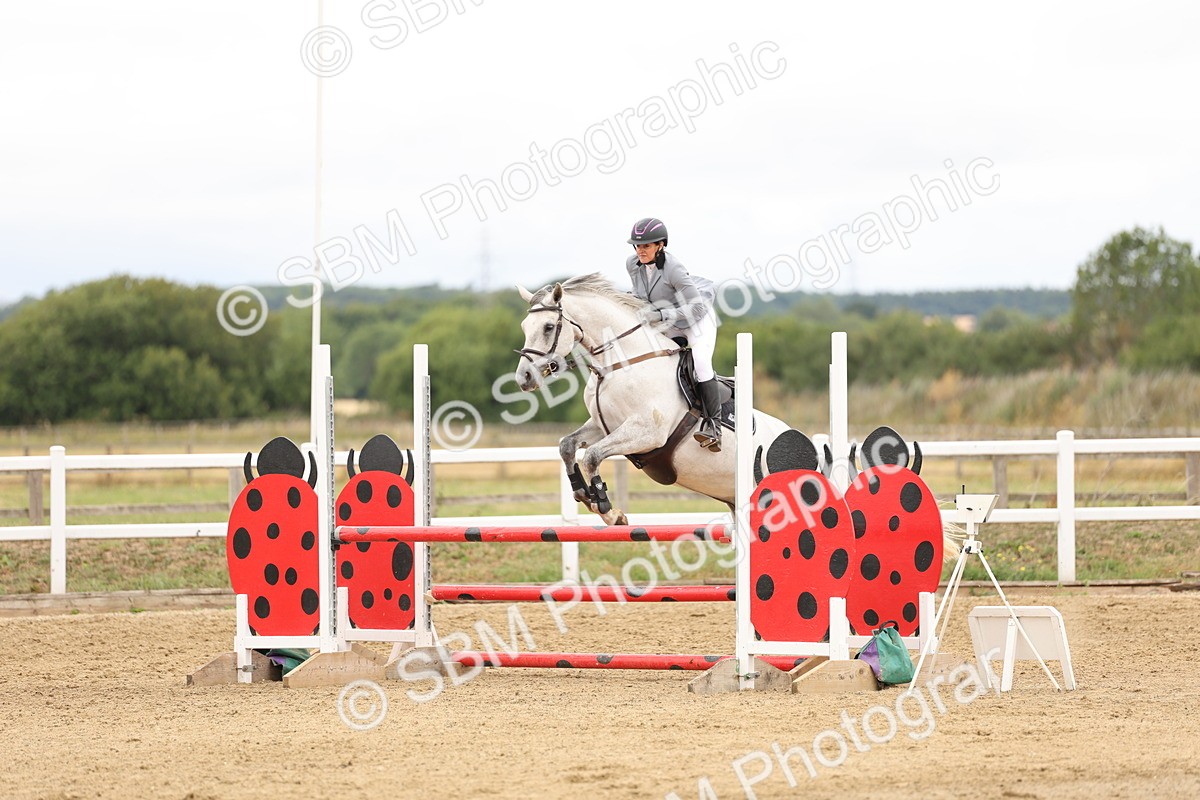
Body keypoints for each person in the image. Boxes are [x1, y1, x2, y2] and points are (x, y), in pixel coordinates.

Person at [624, 217, 724, 451]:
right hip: (668, 319)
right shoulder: (632, 264)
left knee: (700, 363)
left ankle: (713, 425)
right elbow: (641, 296)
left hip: (697, 320)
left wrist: (659, 316)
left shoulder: (674, 269)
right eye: (637, 246)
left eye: (646, 246)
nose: (641, 250)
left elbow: (697, 307)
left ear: (660, 245)